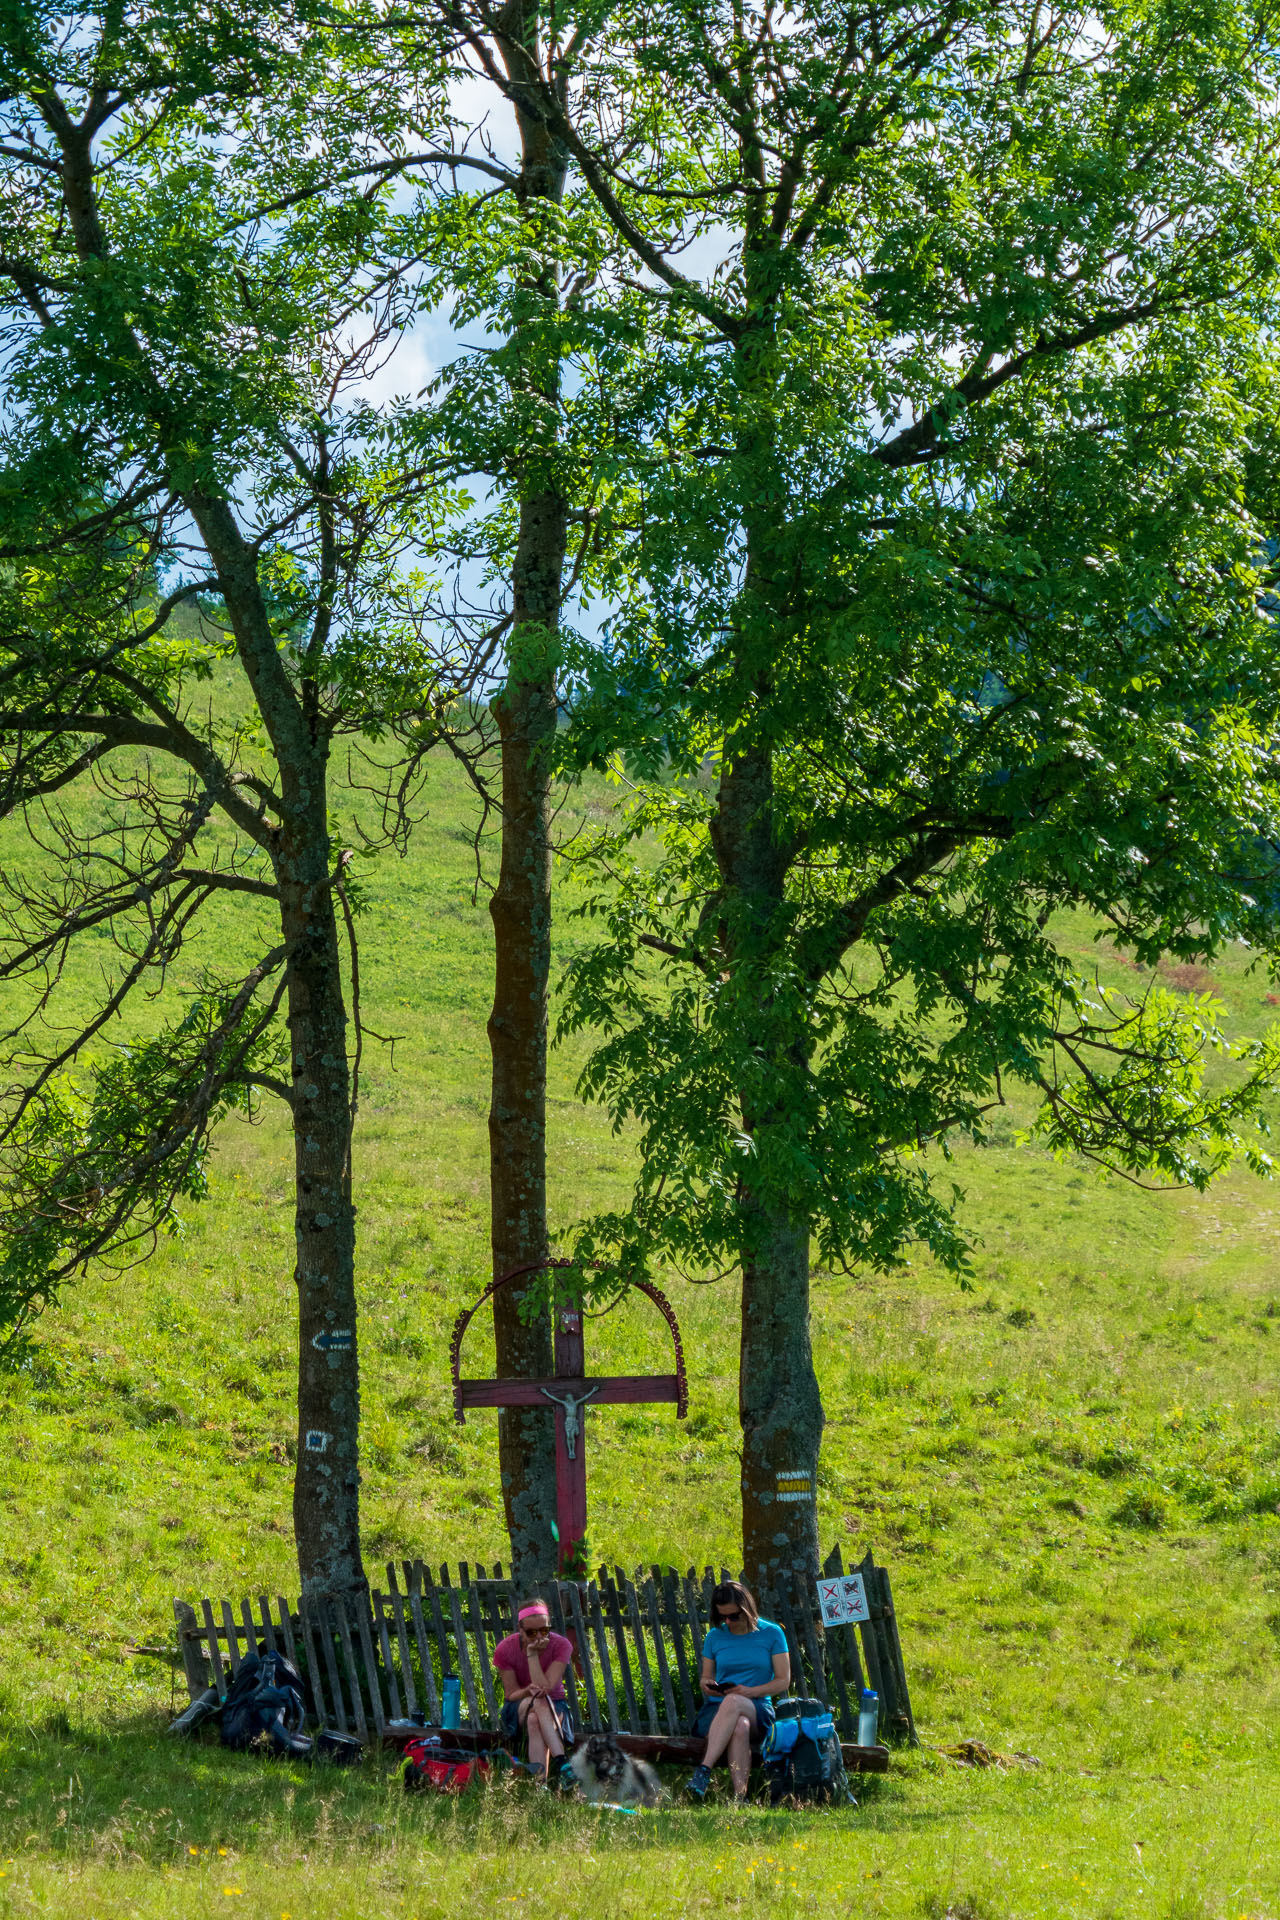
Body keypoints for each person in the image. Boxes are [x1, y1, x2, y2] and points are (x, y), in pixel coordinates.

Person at [686, 1580, 789, 1803]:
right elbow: (706, 1676)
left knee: (734, 1702)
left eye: (733, 1616)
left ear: (747, 1610)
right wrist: (707, 1685)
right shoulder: (715, 1636)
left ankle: (704, 1770)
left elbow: (783, 1681)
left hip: (758, 1707)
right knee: (739, 1726)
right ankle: (740, 1798)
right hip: (717, 1709)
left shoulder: (771, 1634)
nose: (728, 1622)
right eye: (723, 1617)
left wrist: (749, 1692)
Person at [493, 1600, 575, 1782]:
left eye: (544, 1630)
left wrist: (532, 1656)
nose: (539, 1636)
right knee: (537, 1702)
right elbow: (510, 1694)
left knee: (534, 1719)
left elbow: (545, 1687)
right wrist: (526, 1691)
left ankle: (540, 1788)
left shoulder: (561, 1645)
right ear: (520, 1630)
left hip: (555, 1706)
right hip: (518, 1706)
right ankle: (562, 1762)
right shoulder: (505, 1649)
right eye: (531, 1632)